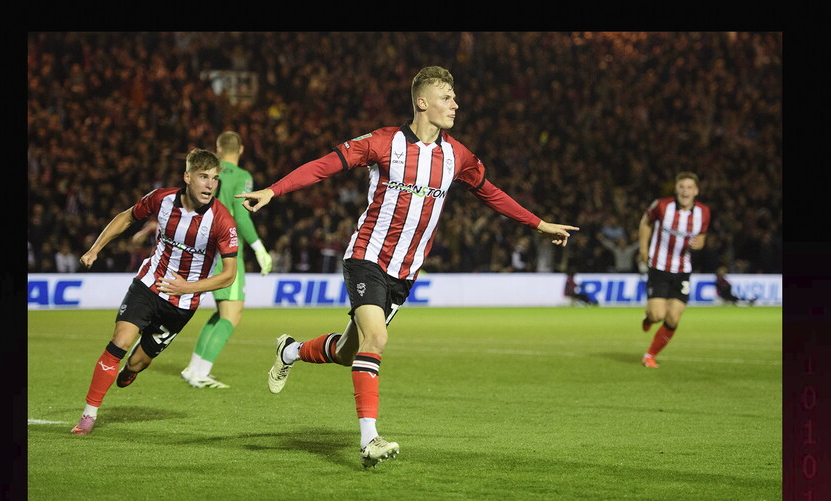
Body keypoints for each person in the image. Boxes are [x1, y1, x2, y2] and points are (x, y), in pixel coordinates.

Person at [238, 66, 578, 467]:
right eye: (446, 97)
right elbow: (324, 165)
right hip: (366, 257)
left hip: (405, 271)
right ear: (422, 102)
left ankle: (290, 351)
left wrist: (538, 224)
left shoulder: (458, 156)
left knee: (351, 352)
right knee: (376, 340)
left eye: (454, 97)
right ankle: (370, 439)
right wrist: (273, 190)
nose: (456, 104)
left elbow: (491, 193)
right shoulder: (384, 142)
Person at [71, 148, 239, 436]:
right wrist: (95, 249)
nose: (210, 185)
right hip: (149, 284)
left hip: (181, 304)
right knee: (119, 341)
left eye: (214, 178)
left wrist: (187, 287)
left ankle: (130, 371)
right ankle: (89, 414)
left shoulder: (222, 220)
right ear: (187, 177)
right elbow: (126, 218)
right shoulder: (161, 200)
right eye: (203, 177)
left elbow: (228, 276)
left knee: (137, 362)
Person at [180, 131, 273, 389]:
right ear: (241, 150)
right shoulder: (242, 177)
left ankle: (194, 368)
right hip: (228, 249)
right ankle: (201, 373)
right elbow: (241, 216)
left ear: (218, 149)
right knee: (232, 315)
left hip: (207, 246)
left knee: (221, 312)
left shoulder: (209, 175)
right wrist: (259, 248)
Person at [637, 172, 710, 368]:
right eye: (681, 187)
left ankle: (650, 355)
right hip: (659, 267)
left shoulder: (703, 212)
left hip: (683, 270)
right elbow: (646, 222)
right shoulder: (662, 206)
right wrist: (643, 248)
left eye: (689, 188)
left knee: (673, 317)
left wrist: (699, 244)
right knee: (658, 315)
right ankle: (649, 316)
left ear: (696, 191)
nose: (685, 191)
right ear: (676, 189)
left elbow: (702, 237)